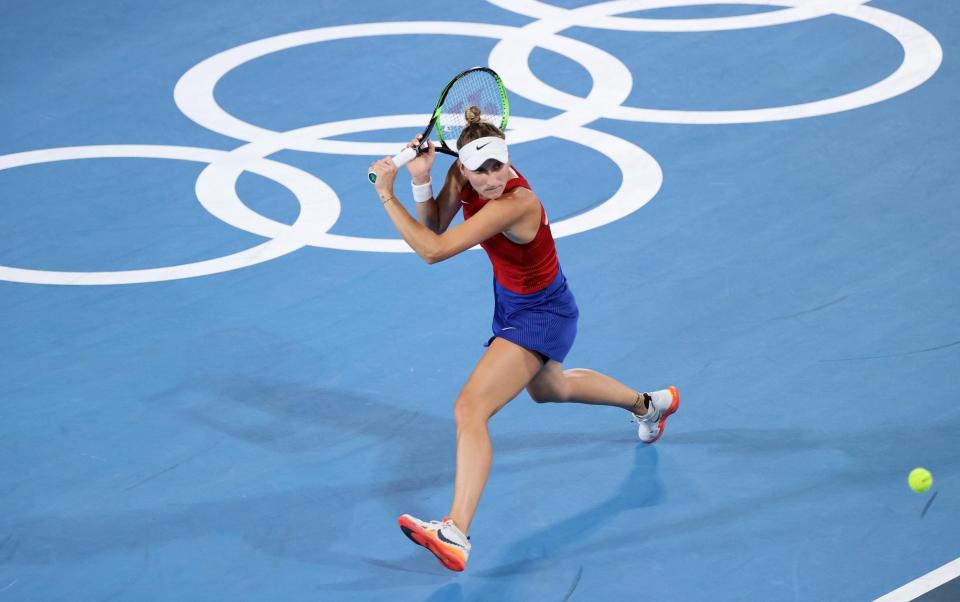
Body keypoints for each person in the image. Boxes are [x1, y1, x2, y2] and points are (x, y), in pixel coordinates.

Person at [367, 106, 680, 572]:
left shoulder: (518, 203)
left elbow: (432, 251)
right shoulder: (460, 172)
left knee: (470, 408)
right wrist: (419, 178)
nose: (493, 178)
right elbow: (434, 225)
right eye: (481, 170)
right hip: (516, 305)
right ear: (465, 167)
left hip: (542, 314)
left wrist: (386, 197)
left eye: (499, 165)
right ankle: (649, 404)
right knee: (551, 388)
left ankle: (455, 532)